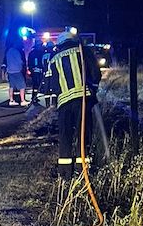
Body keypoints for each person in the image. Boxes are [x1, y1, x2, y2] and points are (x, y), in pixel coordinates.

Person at [42, 28, 102, 180]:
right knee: (83, 134)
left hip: (64, 103)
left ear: (60, 43)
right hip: (83, 99)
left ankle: (65, 173)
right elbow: (95, 73)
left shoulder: (54, 58)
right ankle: (83, 170)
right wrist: (93, 88)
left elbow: (49, 84)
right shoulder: (83, 51)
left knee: (65, 135)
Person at [27, 38, 46, 104]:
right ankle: (34, 97)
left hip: (35, 71)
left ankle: (34, 97)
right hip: (37, 72)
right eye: (40, 45)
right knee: (36, 85)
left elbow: (29, 63)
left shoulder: (32, 53)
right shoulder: (39, 53)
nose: (41, 46)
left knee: (36, 85)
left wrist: (30, 69)